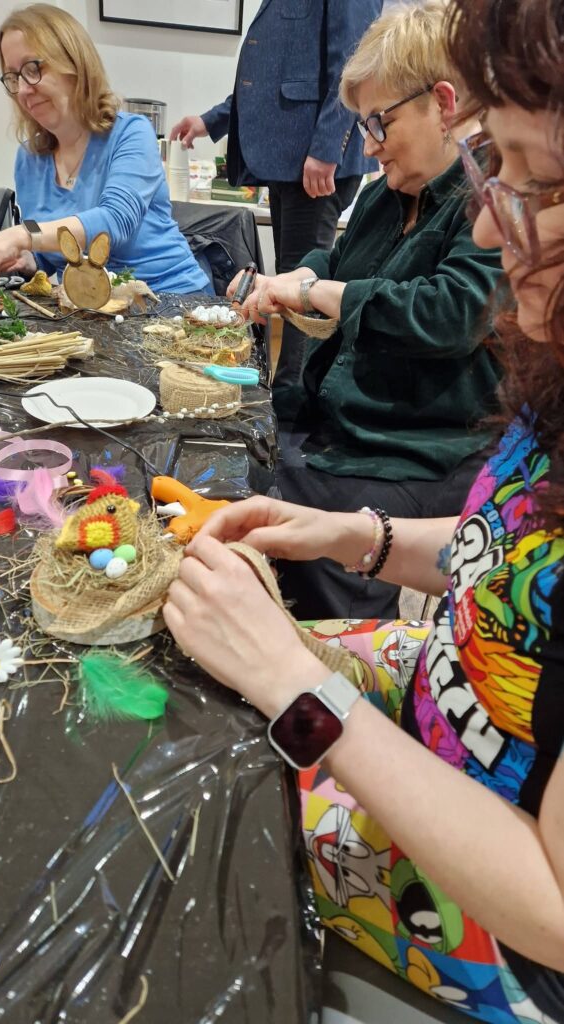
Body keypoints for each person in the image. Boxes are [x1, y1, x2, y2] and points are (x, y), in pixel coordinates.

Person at [163, 0, 564, 1018]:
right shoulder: (549, 381)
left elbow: (555, 911)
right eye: (492, 168)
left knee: (193, 822)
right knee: (195, 694)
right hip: (440, 699)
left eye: (534, 182)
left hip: (500, 924)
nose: (486, 225)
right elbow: (502, 557)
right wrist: (357, 537)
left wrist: (296, 683)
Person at [231, 0, 504, 622]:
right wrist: (297, 277)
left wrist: (316, 294)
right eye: (362, 127)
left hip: (421, 444)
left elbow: (448, 313)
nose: (370, 147)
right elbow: (336, 261)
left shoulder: (490, 200)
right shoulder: (389, 193)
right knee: (235, 457)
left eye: (379, 123)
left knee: (295, 531)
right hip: (355, 421)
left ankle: (334, 648)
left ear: (443, 104)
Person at [170, 0, 383, 391]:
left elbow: (354, 62)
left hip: (312, 159)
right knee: (289, 283)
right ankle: (281, 393)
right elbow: (266, 83)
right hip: (289, 161)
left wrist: (327, 147)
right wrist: (210, 121)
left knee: (301, 288)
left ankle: (290, 402)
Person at [0, 4, 211, 295]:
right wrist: (28, 259)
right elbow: (49, 248)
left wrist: (23, 235)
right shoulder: (29, 159)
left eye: (33, 69)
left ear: (74, 65)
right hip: (88, 306)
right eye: (13, 77)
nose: (24, 89)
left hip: (170, 298)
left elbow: (115, 221)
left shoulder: (131, 133)